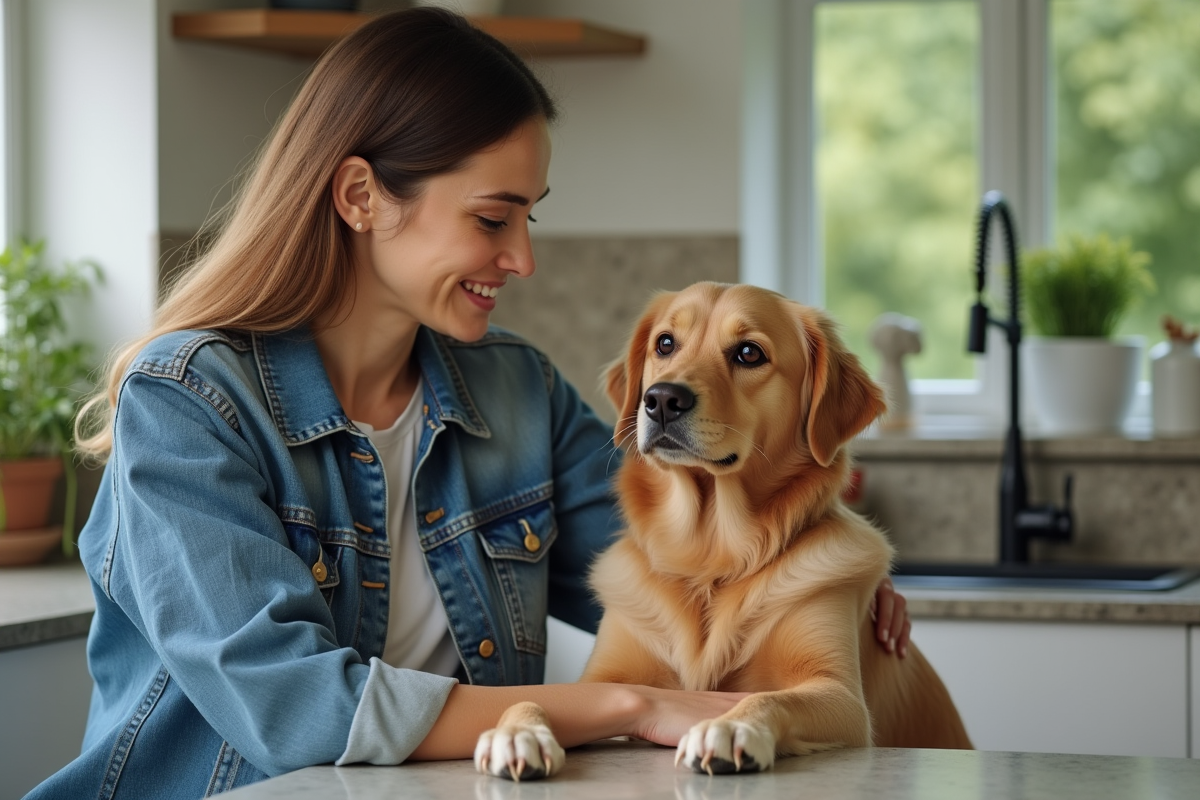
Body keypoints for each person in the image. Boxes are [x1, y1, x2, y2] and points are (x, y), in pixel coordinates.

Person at [29, 9, 910, 798]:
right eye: (494, 220)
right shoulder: (188, 404)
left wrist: (823, 581)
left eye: (532, 217)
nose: (523, 258)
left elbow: (688, 570)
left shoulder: (513, 388)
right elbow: (296, 709)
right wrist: (628, 703)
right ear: (362, 197)